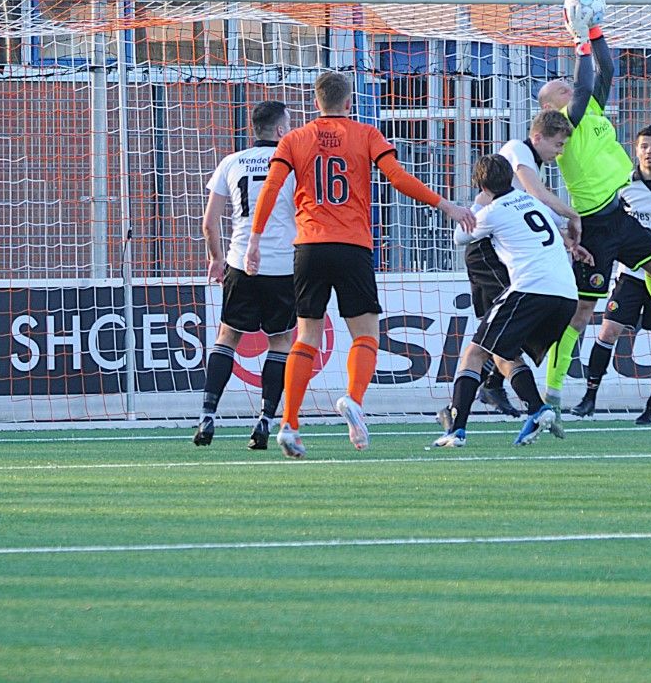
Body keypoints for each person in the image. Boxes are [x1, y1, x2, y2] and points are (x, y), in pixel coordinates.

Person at [247, 71, 475, 459]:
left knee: (306, 337)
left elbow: (271, 187)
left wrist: (255, 238)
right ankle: (353, 399)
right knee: (366, 335)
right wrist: (447, 206)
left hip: (309, 248)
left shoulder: (293, 139)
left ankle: (289, 423)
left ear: (316, 103)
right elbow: (399, 179)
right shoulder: (366, 134)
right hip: (352, 246)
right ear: (349, 102)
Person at [537, 6, 651, 414]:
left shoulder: (590, 109)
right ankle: (554, 393)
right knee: (582, 315)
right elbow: (581, 86)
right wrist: (578, 41)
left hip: (619, 214)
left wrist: (595, 32)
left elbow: (606, 71)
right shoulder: (566, 119)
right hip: (594, 225)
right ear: (552, 105)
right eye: (560, 87)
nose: (568, 85)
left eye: (566, 83)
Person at [432, 154, 577, 448]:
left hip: (530, 289)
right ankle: (537, 409)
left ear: (481, 185)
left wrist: (477, 205)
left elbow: (460, 237)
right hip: (566, 295)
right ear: (511, 177)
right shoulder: (534, 202)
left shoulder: (492, 211)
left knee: (473, 354)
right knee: (503, 353)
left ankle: (456, 430)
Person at [570, 125, 651, 425]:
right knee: (608, 332)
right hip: (630, 273)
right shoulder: (622, 184)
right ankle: (589, 398)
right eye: (643, 146)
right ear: (636, 150)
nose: (649, 151)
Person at [461, 109, 583, 419]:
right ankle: (490, 392)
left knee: (504, 334)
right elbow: (537, 195)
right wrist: (572, 216)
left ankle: (491, 387)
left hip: (503, 247)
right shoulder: (517, 149)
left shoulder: (531, 166)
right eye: (557, 145)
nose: (560, 152)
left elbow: (535, 212)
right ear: (538, 137)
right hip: (486, 250)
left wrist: (566, 241)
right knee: (503, 332)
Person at [195, 100, 295, 450]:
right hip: (282, 266)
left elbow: (209, 223)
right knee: (281, 342)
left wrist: (217, 259)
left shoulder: (231, 162)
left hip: (239, 263)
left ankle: (207, 414)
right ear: (281, 130)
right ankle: (266, 420)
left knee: (227, 338)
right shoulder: (293, 165)